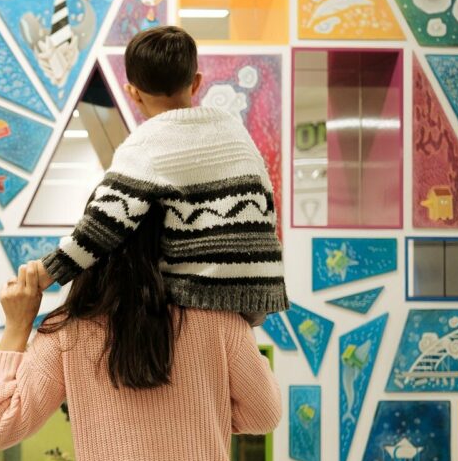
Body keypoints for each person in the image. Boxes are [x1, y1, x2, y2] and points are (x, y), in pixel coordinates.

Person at [0, 209, 282, 461]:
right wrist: (202, 416)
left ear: (90, 243)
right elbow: (263, 415)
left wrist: (18, 324)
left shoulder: (68, 332)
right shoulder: (220, 318)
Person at [34, 26, 287, 326]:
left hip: (198, 298)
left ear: (132, 92)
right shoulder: (235, 131)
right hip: (258, 295)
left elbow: (104, 223)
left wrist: (46, 272)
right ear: (196, 83)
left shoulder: (147, 143)